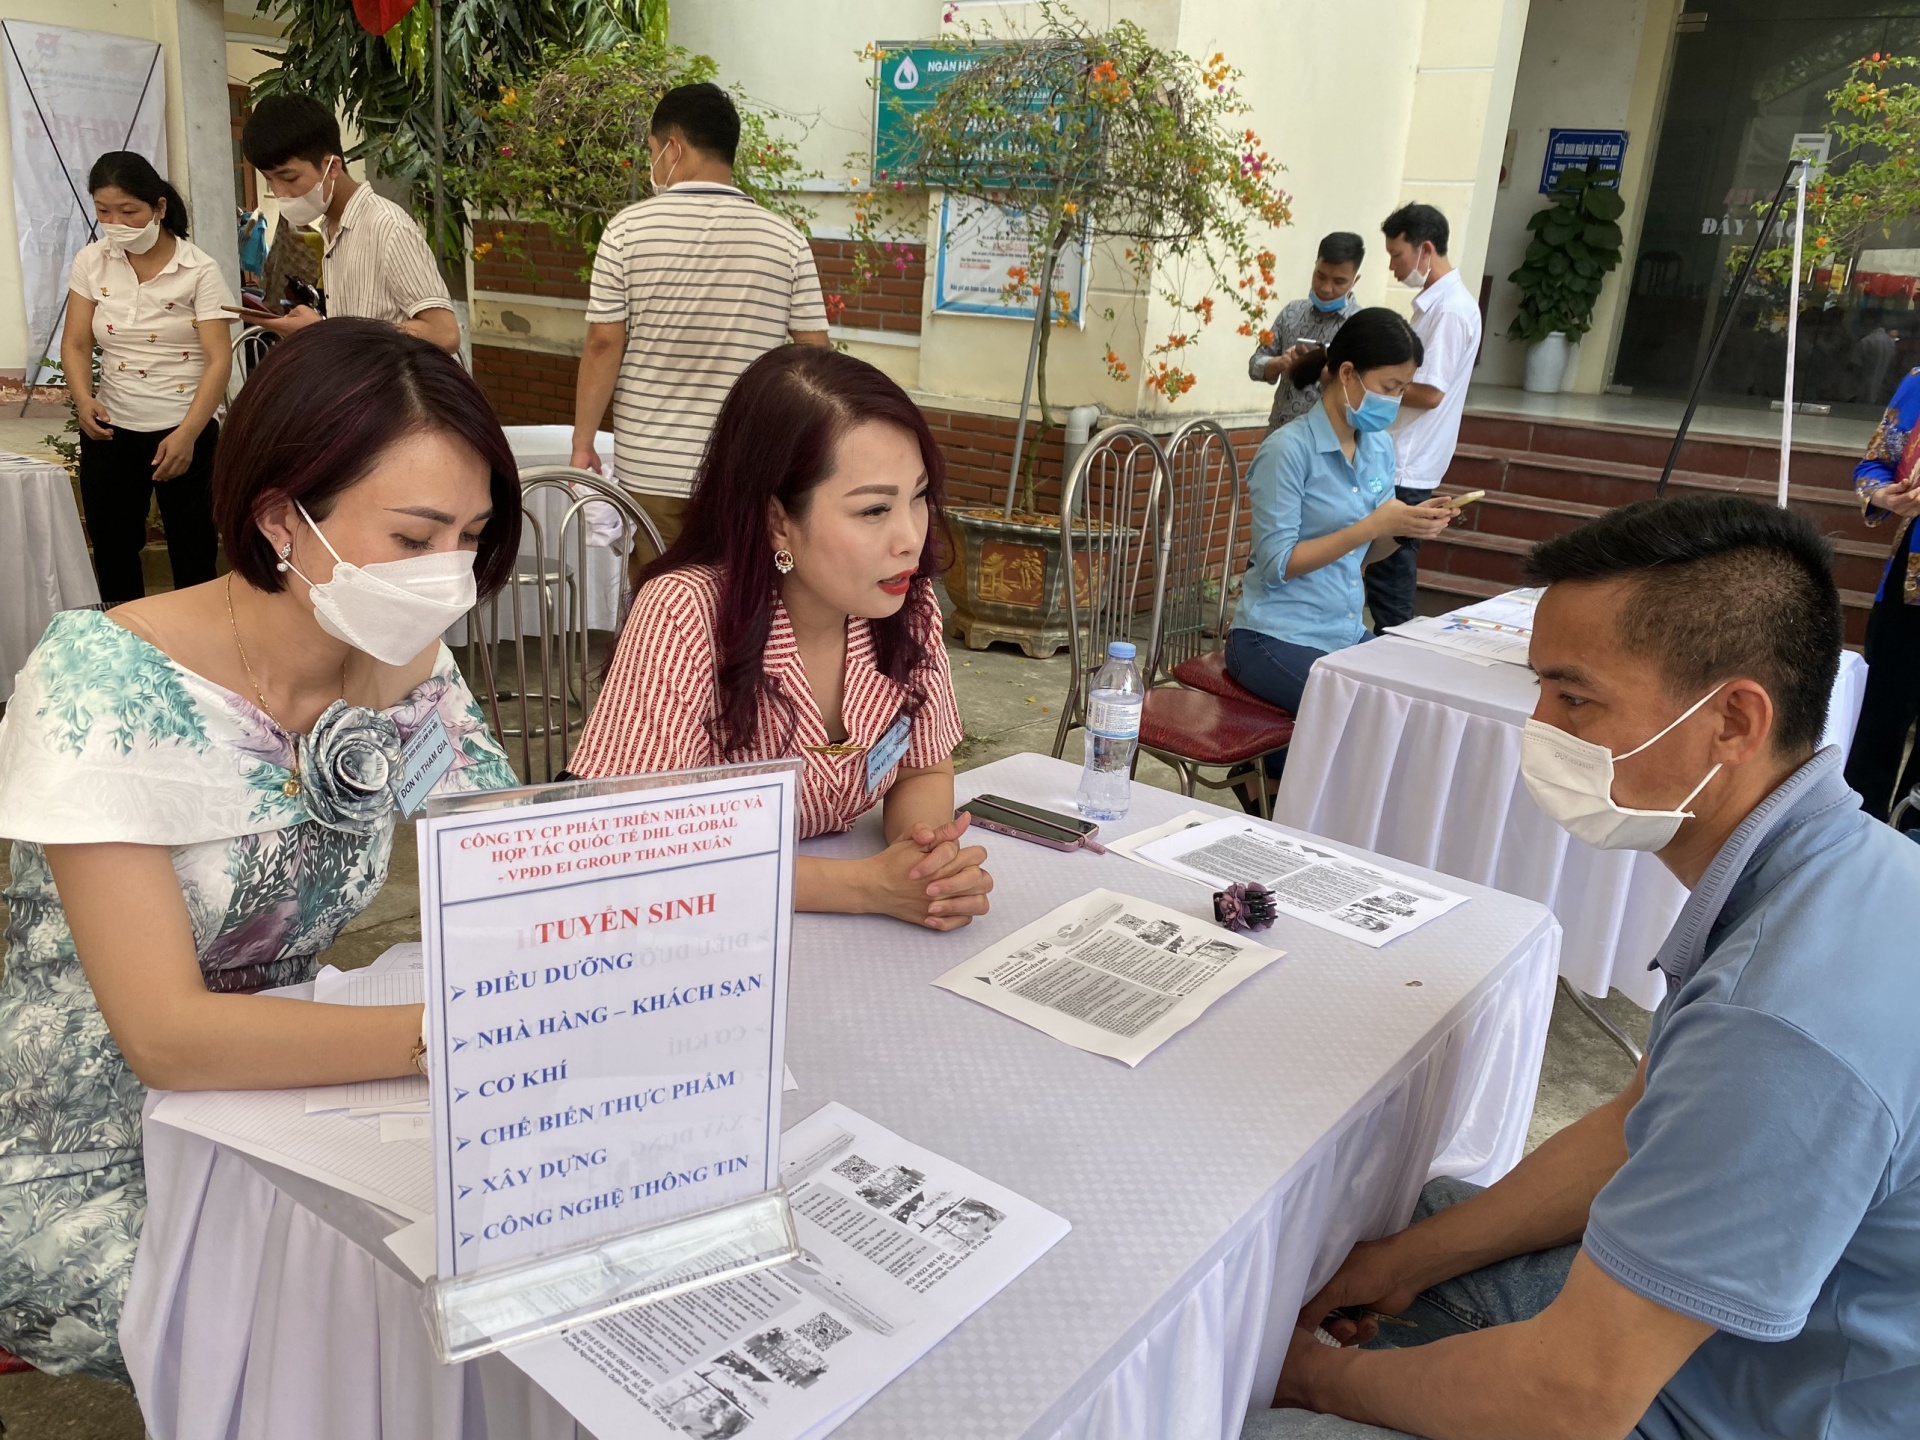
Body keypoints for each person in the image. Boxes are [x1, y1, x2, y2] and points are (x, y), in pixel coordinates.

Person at [1249, 495, 1920, 1440]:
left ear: (1733, 721)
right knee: (1397, 1218)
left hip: (1730, 1405)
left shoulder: (1779, 1022)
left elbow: (1572, 1400)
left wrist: (1311, 1380)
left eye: (1574, 699)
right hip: (1725, 1355)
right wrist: (1404, 1262)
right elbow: (1640, 1127)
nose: (1538, 726)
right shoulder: (1847, 869)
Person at [0, 320, 520, 1382]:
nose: (448, 575)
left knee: (499, 1269)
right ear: (283, 518)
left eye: (470, 538)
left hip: (284, 1102)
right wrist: (463, 1034)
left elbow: (513, 866)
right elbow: (168, 1040)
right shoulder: (104, 682)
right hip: (81, 1152)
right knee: (370, 1337)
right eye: (414, 538)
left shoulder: (401, 659)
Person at [568, 345, 993, 930]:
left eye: (918, 496)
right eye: (874, 510)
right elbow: (632, 842)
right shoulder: (685, 613)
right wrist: (867, 887)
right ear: (777, 522)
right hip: (706, 937)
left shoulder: (903, 604)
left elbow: (922, 768)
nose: (910, 539)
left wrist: (923, 861)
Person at [572, 82, 830, 556]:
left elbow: (603, 344)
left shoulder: (626, 231)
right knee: (738, 588)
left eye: (652, 151)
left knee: (660, 592)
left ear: (673, 148)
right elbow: (816, 359)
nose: (652, 164)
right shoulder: (786, 241)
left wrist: (583, 443)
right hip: (743, 467)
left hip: (650, 466)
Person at [1225, 309, 1457, 747]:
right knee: (1364, 717)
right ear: (1347, 373)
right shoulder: (1287, 450)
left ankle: (1289, 778)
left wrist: (1406, 527)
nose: (1396, 400)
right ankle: (1279, 779)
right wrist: (1372, 524)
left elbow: (1367, 555)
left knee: (1421, 707)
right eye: (1389, 387)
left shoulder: (1378, 447)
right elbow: (1278, 565)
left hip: (1342, 632)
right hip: (1272, 636)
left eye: (1403, 389)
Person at [61, 152, 233, 606]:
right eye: (104, 211)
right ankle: (125, 636)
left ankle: (193, 643)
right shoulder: (92, 261)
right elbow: (76, 343)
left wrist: (188, 434)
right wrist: (83, 399)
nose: (116, 223)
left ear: (158, 207)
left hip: (184, 429)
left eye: (128, 211)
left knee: (193, 552)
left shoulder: (198, 269)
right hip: (110, 430)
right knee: (113, 550)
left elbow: (218, 359)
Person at [238, 95, 461, 354]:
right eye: (269, 180)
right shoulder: (331, 227)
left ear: (332, 166)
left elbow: (444, 333)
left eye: (289, 178)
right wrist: (322, 329)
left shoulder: (387, 227)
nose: (280, 193)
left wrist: (326, 331)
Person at [1364, 203, 1482, 633]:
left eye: (1397, 254)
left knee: (1390, 578)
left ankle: (1395, 655)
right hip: (1400, 454)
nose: (1393, 266)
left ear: (1425, 249)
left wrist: (1371, 385)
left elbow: (1430, 392)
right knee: (1379, 570)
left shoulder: (1450, 310)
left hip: (1409, 461)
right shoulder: (1435, 305)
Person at [1843, 364, 1920, 822]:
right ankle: (1855, 833)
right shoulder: (1919, 383)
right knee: (1878, 720)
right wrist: (1886, 495)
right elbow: (1874, 464)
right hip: (1910, 587)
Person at [1247, 232, 1365, 431]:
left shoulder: (1361, 326)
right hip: (1279, 432)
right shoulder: (1292, 312)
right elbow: (1255, 364)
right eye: (1320, 276)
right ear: (1315, 267)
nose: (1326, 288)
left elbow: (1362, 390)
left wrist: (1323, 373)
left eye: (1339, 282)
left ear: (1355, 280)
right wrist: (1279, 363)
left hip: (1327, 438)